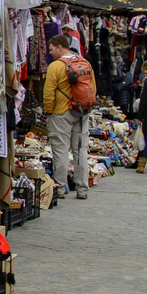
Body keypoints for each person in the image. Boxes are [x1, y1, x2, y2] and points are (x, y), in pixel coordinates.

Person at [44, 34, 95, 200]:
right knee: (80, 150)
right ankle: (82, 189)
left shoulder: (55, 66)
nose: (50, 53)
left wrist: (49, 111)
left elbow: (48, 92)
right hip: (81, 111)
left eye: (51, 49)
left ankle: (59, 189)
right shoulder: (84, 62)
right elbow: (93, 87)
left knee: (60, 150)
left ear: (60, 47)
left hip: (61, 113)